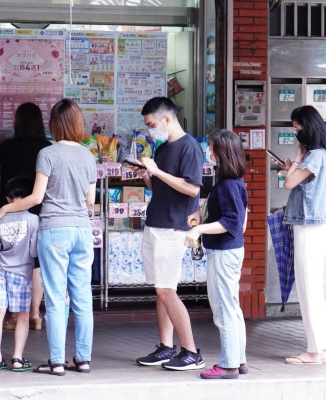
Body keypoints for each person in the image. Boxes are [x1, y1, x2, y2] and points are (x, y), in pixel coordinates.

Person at [0, 99, 96, 376]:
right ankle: (83, 359)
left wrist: (5, 207)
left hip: (54, 229)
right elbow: (90, 202)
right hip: (82, 231)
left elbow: (36, 197)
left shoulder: (48, 154)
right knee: (82, 297)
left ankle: (58, 361)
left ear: (53, 124)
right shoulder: (88, 155)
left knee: (55, 297)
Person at [133, 97, 204, 371]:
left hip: (174, 228)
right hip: (156, 223)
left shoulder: (190, 148)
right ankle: (166, 347)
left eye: (151, 124)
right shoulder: (162, 148)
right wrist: (147, 175)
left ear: (166, 119)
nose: (151, 129)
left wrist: (158, 171)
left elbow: (192, 188)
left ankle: (190, 351)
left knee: (166, 289)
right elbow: (162, 186)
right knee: (162, 289)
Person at [275, 105, 326, 365]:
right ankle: (318, 348)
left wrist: (298, 160)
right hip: (318, 226)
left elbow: (288, 183)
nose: (295, 134)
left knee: (308, 289)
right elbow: (294, 179)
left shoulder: (315, 155)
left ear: (309, 128)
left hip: (310, 227)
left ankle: (314, 351)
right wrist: (294, 164)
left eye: (297, 129)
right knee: (310, 288)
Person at [0, 102, 52, 331]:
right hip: (38, 211)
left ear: (18, 122)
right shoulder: (46, 147)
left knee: (11, 260)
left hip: (10, 211)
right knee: (36, 261)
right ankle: (34, 313)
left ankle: (12, 314)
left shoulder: (9, 146)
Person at [185, 130, 248, 379]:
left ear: (222, 152)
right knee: (231, 308)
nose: (208, 152)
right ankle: (238, 360)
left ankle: (229, 363)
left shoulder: (228, 184)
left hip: (223, 251)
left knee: (223, 309)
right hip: (229, 251)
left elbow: (231, 221)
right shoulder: (231, 182)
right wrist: (200, 217)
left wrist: (199, 228)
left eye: (211, 147)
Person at [0, 176, 38, 372]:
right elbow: (34, 252)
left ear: (8, 199)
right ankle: (17, 358)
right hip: (22, 273)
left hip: (0, 271)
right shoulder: (34, 220)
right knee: (22, 315)